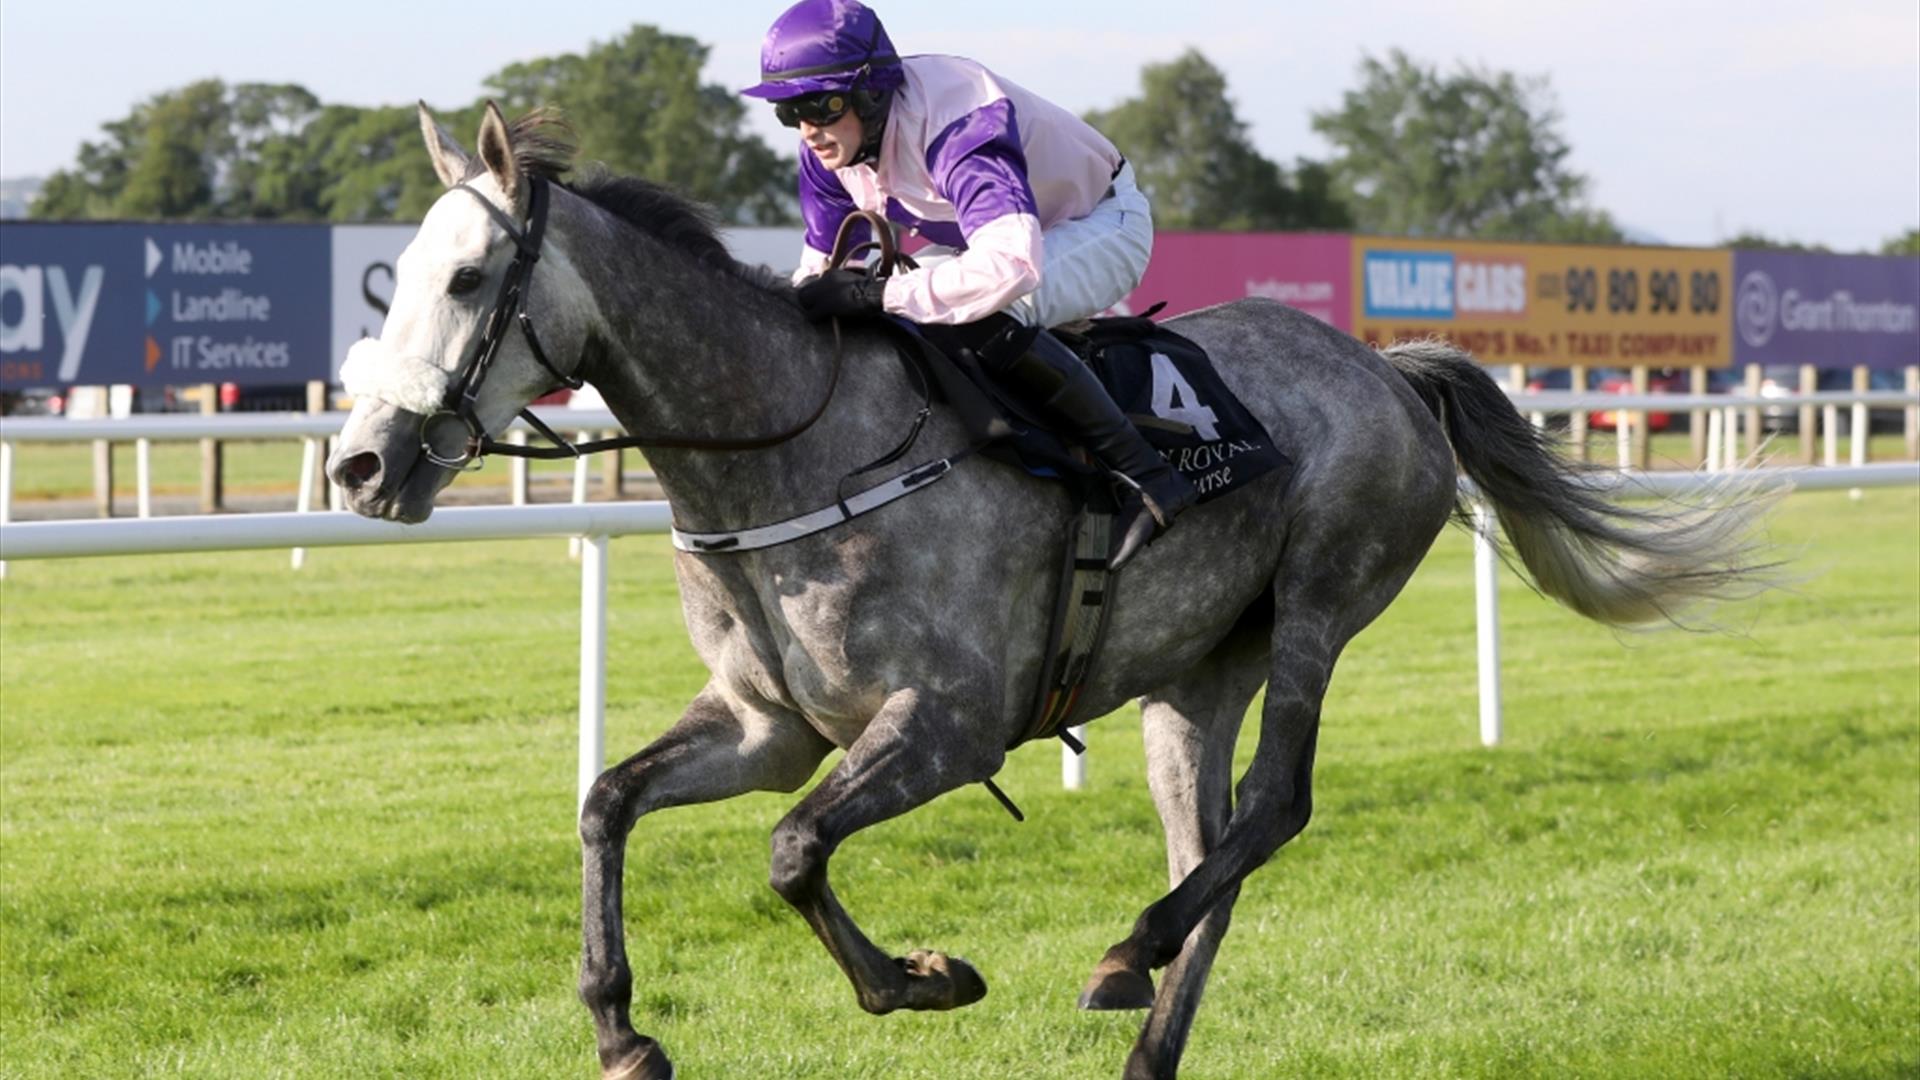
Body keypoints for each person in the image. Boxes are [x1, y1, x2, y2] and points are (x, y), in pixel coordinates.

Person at [740, 0, 1197, 569]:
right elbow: (819, 275)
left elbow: (1008, 268)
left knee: (978, 310)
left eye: (822, 105)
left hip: (1097, 223)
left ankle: (1147, 477)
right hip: (988, 239)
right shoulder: (832, 151)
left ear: (871, 92)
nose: (808, 130)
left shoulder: (959, 120)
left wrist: (876, 294)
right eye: (790, 112)